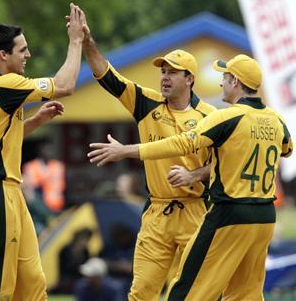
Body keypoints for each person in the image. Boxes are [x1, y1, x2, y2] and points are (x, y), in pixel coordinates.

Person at [88, 54, 294, 300]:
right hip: (263, 214)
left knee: (190, 290)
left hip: (223, 210)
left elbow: (182, 144)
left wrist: (126, 151)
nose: (221, 83)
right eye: (163, 71)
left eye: (225, 78)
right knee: (245, 292)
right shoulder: (276, 119)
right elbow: (287, 149)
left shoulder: (222, 116)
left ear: (235, 82)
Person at [71, 7, 216, 300]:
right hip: (157, 213)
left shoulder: (210, 115)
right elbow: (105, 75)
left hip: (196, 211)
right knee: (141, 293)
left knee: (196, 292)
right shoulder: (146, 103)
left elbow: (222, 165)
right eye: (162, 71)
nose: (164, 77)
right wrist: (87, 42)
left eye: (172, 72)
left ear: (189, 79)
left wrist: (194, 174)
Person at [0, 3, 85, 300]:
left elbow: (1, 140)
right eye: (22, 50)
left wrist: (36, 121)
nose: (28, 55)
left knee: (31, 282)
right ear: (3, 55)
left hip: (8, 192)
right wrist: (76, 40)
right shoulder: (2, 84)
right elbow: (66, 85)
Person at [23, 141, 66, 213]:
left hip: (58, 207)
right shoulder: (31, 166)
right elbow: (31, 190)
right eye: (47, 148)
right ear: (40, 150)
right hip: (40, 208)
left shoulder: (58, 166)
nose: (50, 151)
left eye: (51, 149)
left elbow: (63, 187)